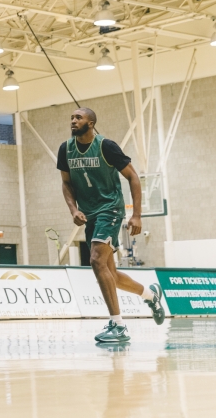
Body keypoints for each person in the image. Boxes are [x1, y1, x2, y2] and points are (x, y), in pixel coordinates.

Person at [59, 107, 165, 344]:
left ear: (91, 123)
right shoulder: (66, 149)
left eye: (79, 118)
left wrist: (136, 215)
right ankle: (150, 295)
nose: (73, 121)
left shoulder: (107, 146)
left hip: (111, 209)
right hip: (89, 213)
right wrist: (73, 209)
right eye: (72, 118)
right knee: (110, 274)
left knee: (96, 260)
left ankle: (118, 325)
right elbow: (66, 183)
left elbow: (133, 177)